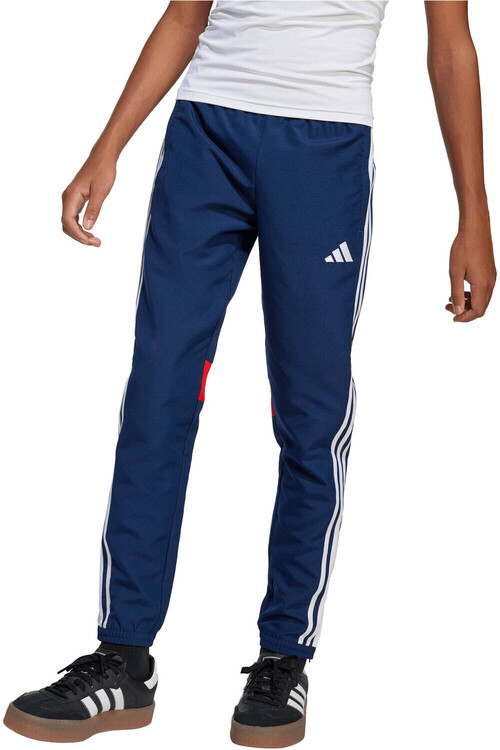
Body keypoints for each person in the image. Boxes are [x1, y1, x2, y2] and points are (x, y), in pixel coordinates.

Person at [3, 1, 496, 747]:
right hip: (206, 134)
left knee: (310, 412)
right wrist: (108, 148)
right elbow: (185, 16)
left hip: (324, 146)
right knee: (158, 396)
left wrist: (474, 215)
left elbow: (451, 45)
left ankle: (283, 656)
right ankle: (123, 656)